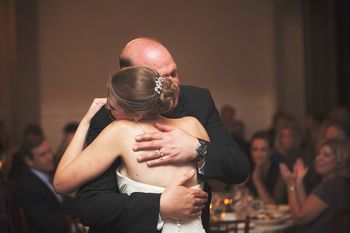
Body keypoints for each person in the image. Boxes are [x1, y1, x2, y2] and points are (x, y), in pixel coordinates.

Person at [73, 37, 249, 233]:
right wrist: (159, 206)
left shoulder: (197, 102)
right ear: (132, 77)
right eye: (161, 78)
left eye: (174, 73)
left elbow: (239, 168)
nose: (172, 85)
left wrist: (198, 149)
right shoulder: (112, 115)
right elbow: (89, 206)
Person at [54, 66, 229, 233]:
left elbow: (61, 183)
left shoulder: (121, 130)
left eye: (113, 105)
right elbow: (219, 184)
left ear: (136, 113)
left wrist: (86, 121)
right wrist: (200, 152)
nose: (107, 105)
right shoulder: (192, 124)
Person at [279, 139, 350, 233]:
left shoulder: (333, 185)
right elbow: (306, 210)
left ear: (339, 160)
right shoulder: (335, 182)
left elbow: (299, 218)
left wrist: (290, 185)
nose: (319, 158)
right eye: (318, 154)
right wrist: (299, 181)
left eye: (326, 155)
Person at [15, 135, 78, 233]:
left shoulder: (46, 177)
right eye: (43, 154)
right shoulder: (29, 187)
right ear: (29, 161)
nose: (50, 157)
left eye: (50, 151)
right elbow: (51, 224)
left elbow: (61, 201)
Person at [247, 131, 286, 204]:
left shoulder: (279, 172)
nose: (259, 154)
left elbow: (274, 206)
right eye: (255, 150)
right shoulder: (248, 170)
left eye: (263, 150)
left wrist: (257, 182)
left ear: (271, 151)